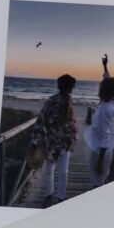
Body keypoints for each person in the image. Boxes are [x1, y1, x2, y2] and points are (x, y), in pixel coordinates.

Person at [30, 73, 79, 205]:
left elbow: (72, 122)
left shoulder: (70, 100)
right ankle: (49, 195)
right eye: (71, 86)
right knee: (49, 170)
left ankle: (61, 197)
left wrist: (73, 138)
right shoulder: (51, 101)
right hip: (51, 142)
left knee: (64, 171)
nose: (72, 89)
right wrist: (35, 142)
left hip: (65, 142)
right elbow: (40, 121)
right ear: (64, 86)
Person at [85, 58, 114, 186]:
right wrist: (105, 66)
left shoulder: (105, 109)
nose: (99, 88)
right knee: (103, 176)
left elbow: (105, 137)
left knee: (97, 178)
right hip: (108, 148)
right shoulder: (112, 101)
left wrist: (100, 161)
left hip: (101, 150)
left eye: (101, 86)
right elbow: (107, 79)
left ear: (104, 90)